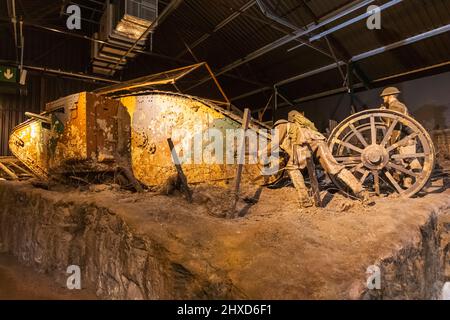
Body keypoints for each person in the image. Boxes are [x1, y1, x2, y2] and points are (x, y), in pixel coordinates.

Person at [274, 111, 368, 207]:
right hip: (319, 140)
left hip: (304, 142)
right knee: (335, 168)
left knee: (292, 168)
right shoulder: (303, 126)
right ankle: (361, 192)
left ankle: (304, 199)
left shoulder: (281, 125)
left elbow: (274, 144)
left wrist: (262, 153)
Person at [379, 87, 420, 188]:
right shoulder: (397, 106)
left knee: (411, 161)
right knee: (406, 161)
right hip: (405, 138)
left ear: (390, 96)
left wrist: (383, 114)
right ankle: (409, 185)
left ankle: (418, 184)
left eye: (384, 96)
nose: (383, 99)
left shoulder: (396, 106)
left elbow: (394, 123)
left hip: (405, 138)